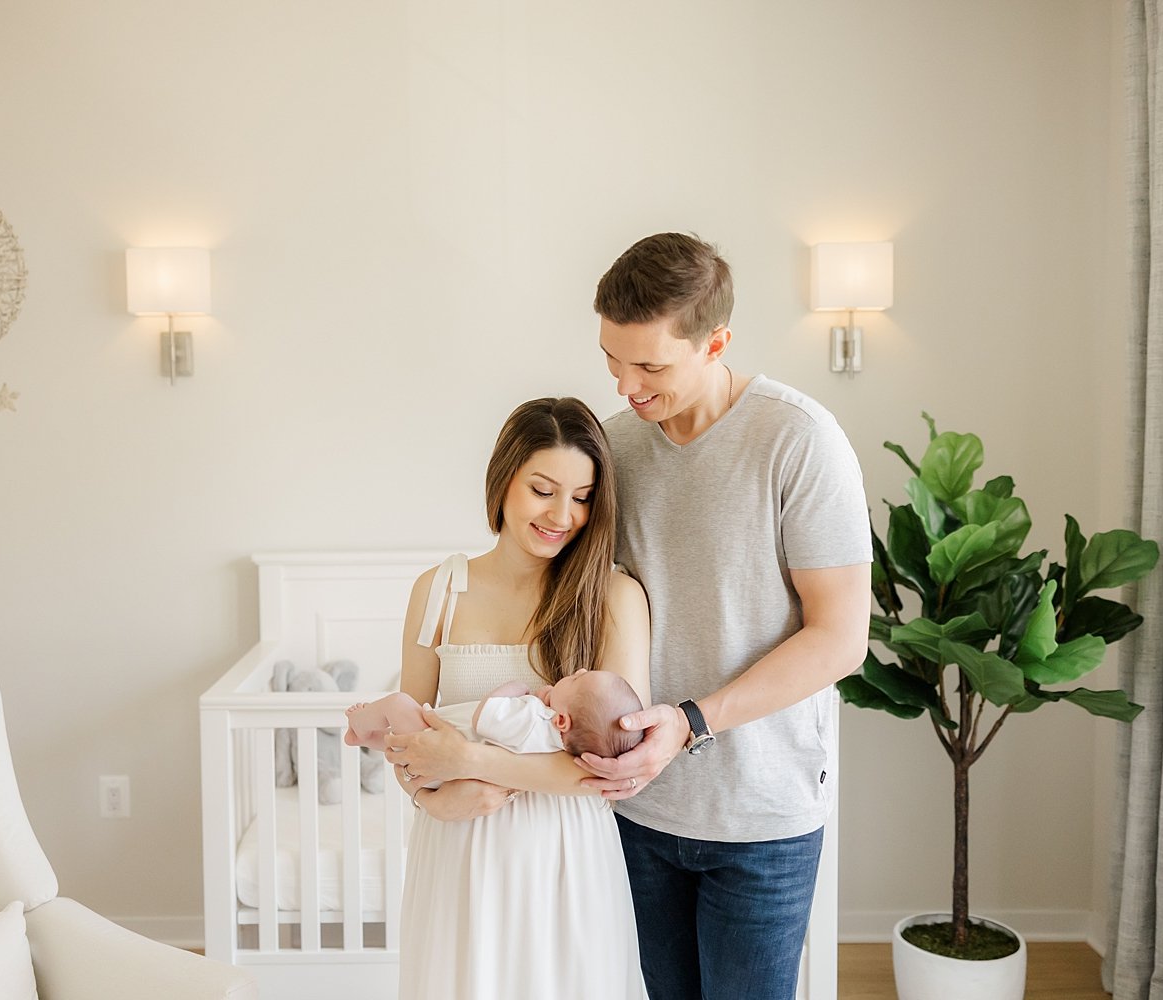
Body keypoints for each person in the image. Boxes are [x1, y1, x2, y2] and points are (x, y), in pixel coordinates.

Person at [577, 232, 873, 1000]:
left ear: (717, 342)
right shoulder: (615, 450)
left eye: (650, 366)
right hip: (639, 808)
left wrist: (692, 721)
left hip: (761, 822)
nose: (626, 387)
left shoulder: (798, 442)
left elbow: (840, 638)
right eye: (613, 361)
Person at [382, 396, 651, 1000]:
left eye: (582, 497)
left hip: (563, 854)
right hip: (457, 850)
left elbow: (615, 769)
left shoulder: (613, 597)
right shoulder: (439, 590)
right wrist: (428, 799)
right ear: (503, 480)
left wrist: (472, 761)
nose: (563, 514)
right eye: (543, 489)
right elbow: (404, 735)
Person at [344, 668, 644, 775]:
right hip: (446, 762)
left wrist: (517, 689)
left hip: (439, 745)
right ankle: (368, 739)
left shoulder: (534, 717)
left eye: (579, 679)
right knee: (397, 742)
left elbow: (484, 717)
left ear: (562, 720)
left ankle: (359, 722)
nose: (577, 671)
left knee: (398, 703)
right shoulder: (553, 743)